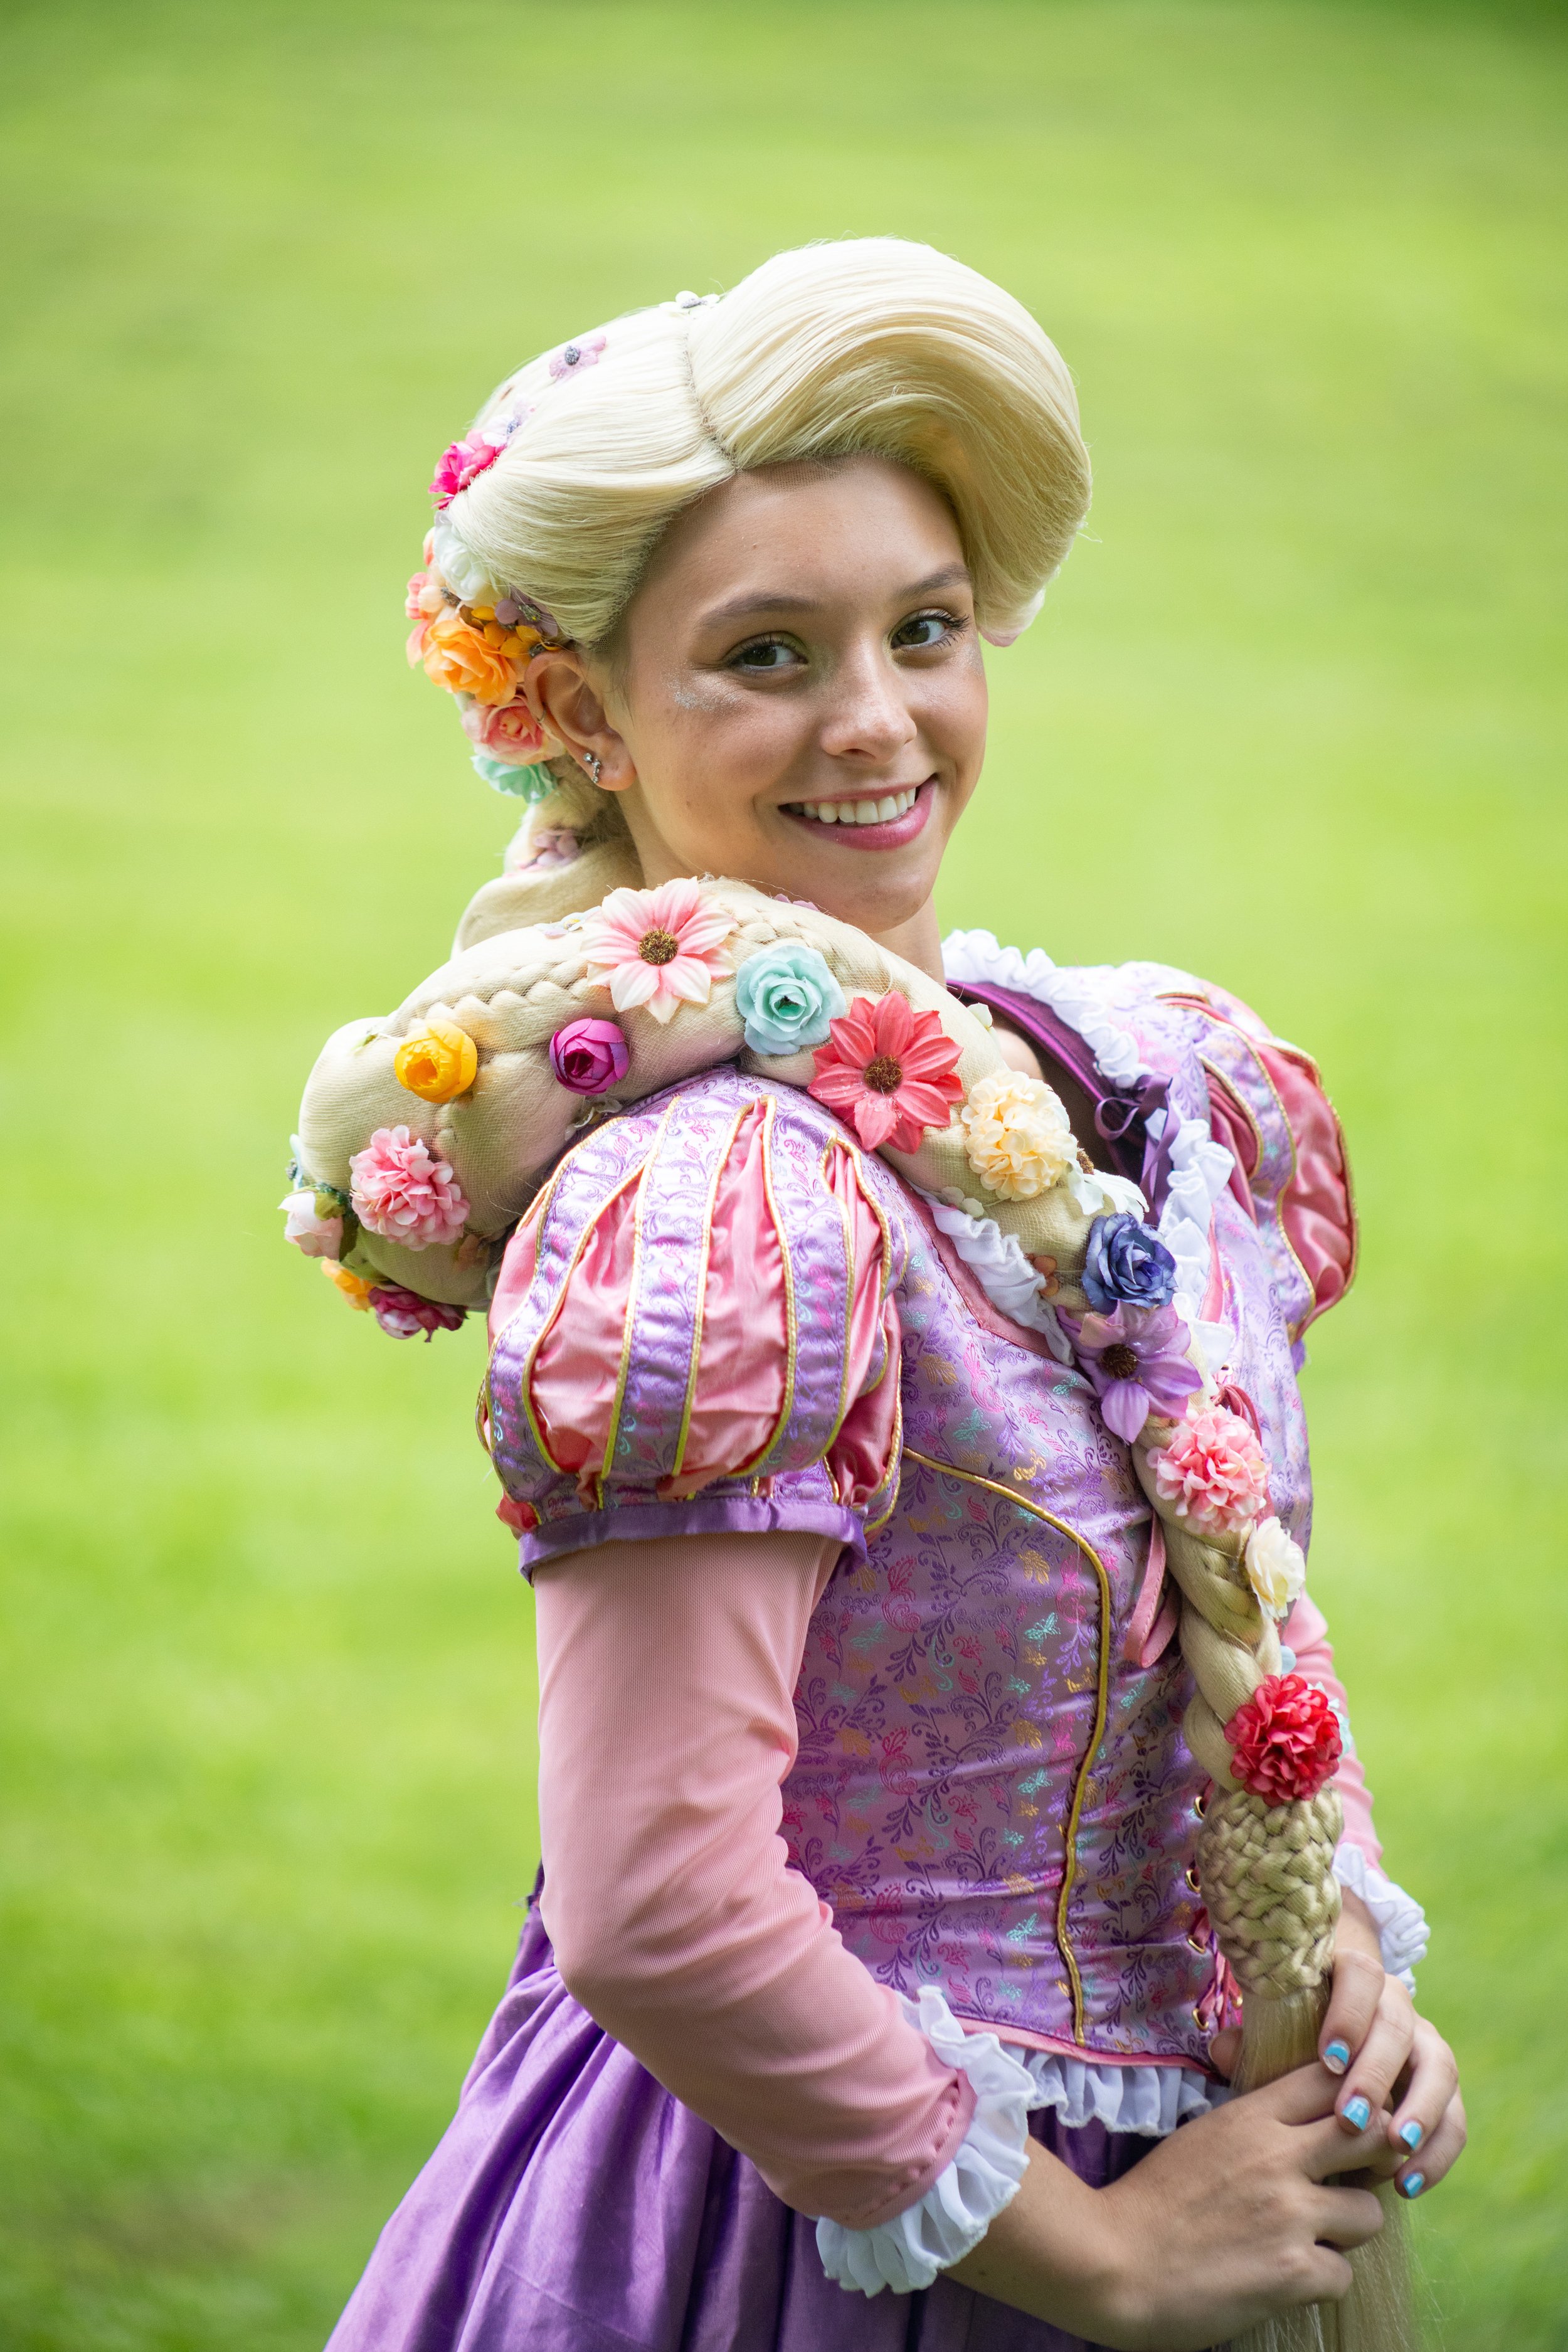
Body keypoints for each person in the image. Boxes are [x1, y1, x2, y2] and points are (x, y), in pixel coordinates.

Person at [285, 241, 1464, 2351]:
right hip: (827, 2235)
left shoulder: (1154, 1073)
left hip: (1199, 2171)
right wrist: (1096, 2251)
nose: (877, 721)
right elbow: (656, 1912)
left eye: (924, 631)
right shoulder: (721, 1194)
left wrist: (1339, 1972)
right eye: (762, 654)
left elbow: (1226, 1638)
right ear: (578, 713)